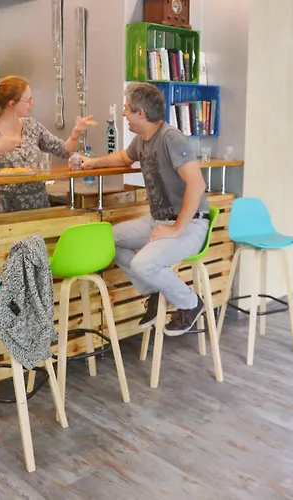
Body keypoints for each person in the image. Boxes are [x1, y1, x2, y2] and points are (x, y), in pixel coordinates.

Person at [74, 82, 208, 336]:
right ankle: (154, 292)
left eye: (126, 108)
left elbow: (197, 184)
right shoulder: (141, 140)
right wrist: (93, 163)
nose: (123, 113)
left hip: (190, 224)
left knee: (143, 264)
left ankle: (190, 304)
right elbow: (123, 157)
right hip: (158, 221)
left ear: (141, 113)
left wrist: (175, 229)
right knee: (107, 241)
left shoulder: (171, 138)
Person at [0, 75, 97, 214]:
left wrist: (75, 133)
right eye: (28, 100)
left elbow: (64, 150)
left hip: (40, 205)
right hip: (6, 209)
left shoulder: (32, 125)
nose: (32, 103)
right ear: (11, 104)